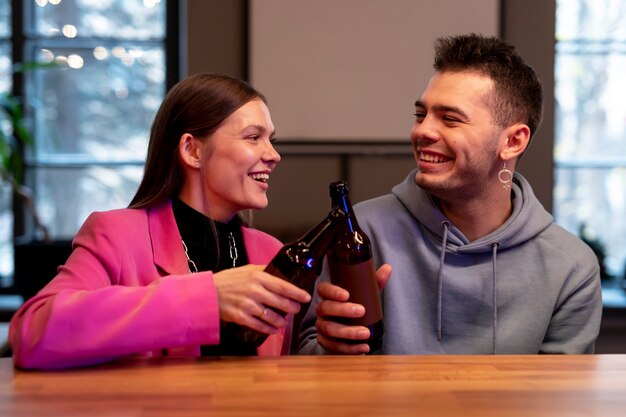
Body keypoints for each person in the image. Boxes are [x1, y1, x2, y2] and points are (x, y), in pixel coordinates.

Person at [298, 33, 603, 355]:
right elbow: (306, 359)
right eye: (420, 115)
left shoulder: (570, 266)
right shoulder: (360, 231)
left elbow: (561, 398)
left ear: (513, 141)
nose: (422, 131)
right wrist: (334, 349)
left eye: (450, 119)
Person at [9, 73, 312, 369]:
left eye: (270, 140)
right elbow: (32, 334)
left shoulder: (271, 251)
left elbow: (286, 370)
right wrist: (207, 298)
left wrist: (326, 340)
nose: (273, 155)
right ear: (192, 150)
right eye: (253, 137)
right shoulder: (116, 235)